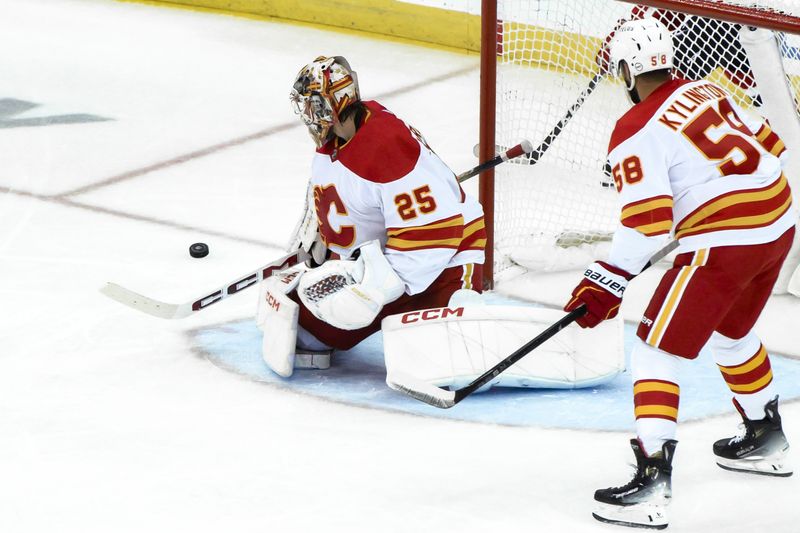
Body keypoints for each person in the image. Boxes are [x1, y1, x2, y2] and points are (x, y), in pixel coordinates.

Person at [565, 18, 794, 529]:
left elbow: (646, 224)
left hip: (728, 242)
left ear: (627, 70)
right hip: (780, 225)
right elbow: (773, 148)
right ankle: (765, 436)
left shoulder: (633, 127)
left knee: (654, 347)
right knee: (732, 333)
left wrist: (604, 280)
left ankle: (651, 482)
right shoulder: (710, 87)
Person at [255, 55, 485, 377]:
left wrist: (372, 291)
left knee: (437, 361)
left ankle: (460, 306)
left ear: (331, 105)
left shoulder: (387, 147)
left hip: (443, 264)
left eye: (312, 105)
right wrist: (328, 244)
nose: (307, 115)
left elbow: (437, 234)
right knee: (305, 332)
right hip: (382, 260)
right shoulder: (342, 137)